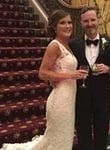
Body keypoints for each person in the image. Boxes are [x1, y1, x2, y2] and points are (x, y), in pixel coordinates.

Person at [1, 9, 88, 150]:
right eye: (62, 23)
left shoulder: (67, 45)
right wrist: (70, 75)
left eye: (69, 22)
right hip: (60, 101)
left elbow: (55, 71)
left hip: (69, 99)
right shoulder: (54, 46)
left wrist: (63, 76)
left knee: (63, 137)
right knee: (58, 139)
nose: (67, 26)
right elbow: (42, 73)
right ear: (54, 27)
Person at [69, 6, 110, 150]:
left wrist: (109, 69)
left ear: (98, 20)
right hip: (82, 96)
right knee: (83, 132)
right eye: (86, 21)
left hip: (102, 95)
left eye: (92, 19)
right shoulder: (74, 44)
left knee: (101, 131)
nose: (90, 24)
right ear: (81, 23)